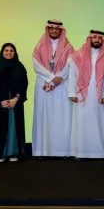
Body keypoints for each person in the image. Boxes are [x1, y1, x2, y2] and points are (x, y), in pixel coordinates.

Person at [68, 31, 104, 160]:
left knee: (102, 123)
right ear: (89, 38)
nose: (97, 40)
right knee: (82, 123)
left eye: (100, 38)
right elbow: (72, 75)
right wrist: (72, 93)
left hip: (101, 96)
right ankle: (81, 153)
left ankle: (103, 152)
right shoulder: (77, 56)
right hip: (82, 95)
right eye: (94, 37)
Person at [31, 19, 74, 158]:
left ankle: (63, 151)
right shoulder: (39, 46)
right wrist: (51, 78)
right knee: (42, 116)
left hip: (61, 85)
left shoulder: (68, 47)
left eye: (57, 29)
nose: (54, 31)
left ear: (61, 31)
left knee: (62, 116)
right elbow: (36, 65)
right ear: (48, 29)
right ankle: (42, 151)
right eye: (52, 28)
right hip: (43, 84)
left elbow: (70, 64)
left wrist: (58, 78)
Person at [0, 43, 28, 163]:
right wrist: (0, 101)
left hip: (15, 103)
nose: (9, 53)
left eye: (11, 51)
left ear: (15, 53)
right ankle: (0, 154)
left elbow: (24, 85)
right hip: (0, 103)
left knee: (13, 127)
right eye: (6, 50)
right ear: (2, 52)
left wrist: (16, 98)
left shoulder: (20, 67)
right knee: (0, 127)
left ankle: (13, 152)